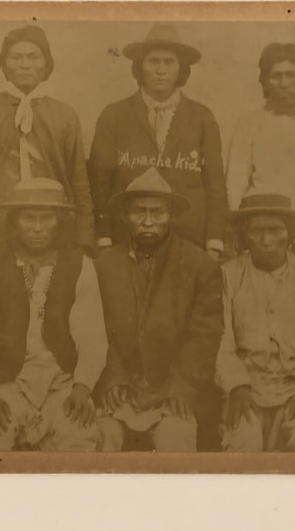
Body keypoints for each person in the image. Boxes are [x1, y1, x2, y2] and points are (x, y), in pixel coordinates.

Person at [0, 178, 107, 451]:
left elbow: (92, 337)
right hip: (9, 384)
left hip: (62, 385)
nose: (37, 228)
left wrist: (82, 386)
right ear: (14, 222)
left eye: (47, 218)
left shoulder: (80, 266)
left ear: (60, 222)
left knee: (80, 443)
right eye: (28, 218)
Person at [94, 167, 223, 451]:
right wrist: (113, 377)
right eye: (140, 212)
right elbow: (97, 330)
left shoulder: (200, 266)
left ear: (172, 216)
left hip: (174, 385)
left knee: (176, 439)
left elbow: (205, 335)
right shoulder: (105, 266)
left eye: (158, 213)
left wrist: (184, 385)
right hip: (121, 385)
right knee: (102, 437)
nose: (148, 222)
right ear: (125, 216)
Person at [0, 25, 95, 258]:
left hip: (53, 230)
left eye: (33, 57)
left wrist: (84, 238)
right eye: (16, 57)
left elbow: (79, 182)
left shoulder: (64, 115)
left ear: (46, 65)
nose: (25, 64)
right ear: (4, 65)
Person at [88, 24, 227, 257]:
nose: (160, 70)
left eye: (169, 62)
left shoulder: (202, 117)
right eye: (153, 61)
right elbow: (100, 184)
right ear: (140, 67)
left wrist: (214, 242)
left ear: (180, 69)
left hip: (188, 238)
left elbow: (215, 185)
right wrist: (104, 238)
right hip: (128, 238)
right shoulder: (114, 115)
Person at [216, 193, 295, 452]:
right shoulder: (227, 277)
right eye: (257, 231)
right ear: (244, 236)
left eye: (275, 230)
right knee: (243, 442)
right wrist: (237, 385)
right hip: (246, 389)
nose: (266, 240)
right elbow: (221, 342)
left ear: (290, 234)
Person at [225, 43, 295, 261]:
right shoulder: (249, 124)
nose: (284, 83)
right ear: (265, 82)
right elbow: (234, 184)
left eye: (291, 75)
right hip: (264, 238)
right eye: (276, 76)